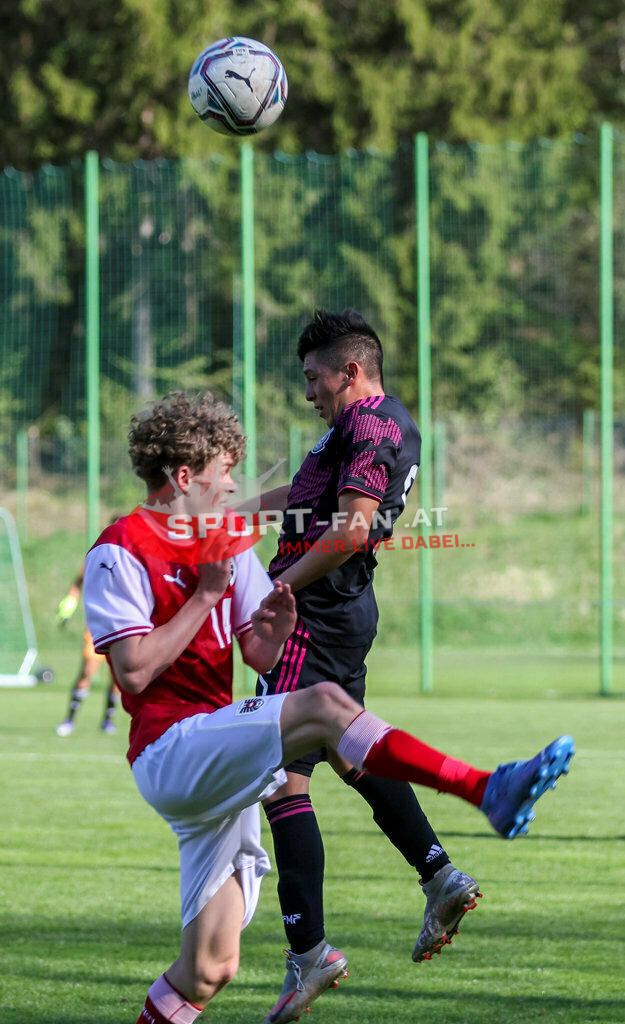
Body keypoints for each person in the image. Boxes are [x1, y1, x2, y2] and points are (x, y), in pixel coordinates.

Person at [82, 390, 574, 1024]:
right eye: (224, 474)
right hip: (168, 750)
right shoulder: (119, 548)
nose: (232, 487)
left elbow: (256, 653)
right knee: (324, 706)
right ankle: (484, 790)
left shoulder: (222, 546)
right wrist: (204, 599)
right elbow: (133, 669)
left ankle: (307, 951)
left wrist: (275, 631)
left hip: (212, 758)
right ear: (183, 477)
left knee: (209, 969)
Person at [245, 308, 547, 1024]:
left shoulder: (372, 425)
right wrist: (235, 513)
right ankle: (438, 875)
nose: (307, 392)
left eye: (314, 378)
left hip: (314, 617)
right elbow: (308, 497)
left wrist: (281, 587)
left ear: (351, 371)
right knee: (349, 752)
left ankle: (309, 951)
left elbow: (351, 530)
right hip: (336, 612)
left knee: (279, 776)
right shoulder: (357, 426)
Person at [55, 566, 120, 736]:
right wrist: (67, 608)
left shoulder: (129, 557)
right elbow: (77, 584)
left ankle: (107, 720)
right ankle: (69, 720)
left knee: (117, 677)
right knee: (87, 672)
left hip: (120, 626)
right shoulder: (94, 557)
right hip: (97, 627)